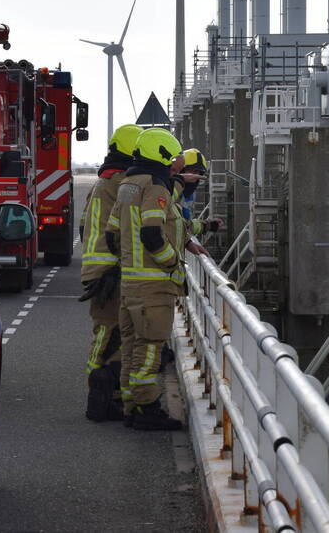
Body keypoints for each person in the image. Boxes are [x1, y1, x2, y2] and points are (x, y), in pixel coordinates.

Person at [106, 127, 195, 431]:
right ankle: (146, 408)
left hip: (130, 282)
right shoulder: (156, 187)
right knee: (150, 346)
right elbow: (152, 233)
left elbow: (112, 232)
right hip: (153, 284)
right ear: (161, 154)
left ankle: (132, 403)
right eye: (171, 158)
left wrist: (129, 263)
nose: (173, 164)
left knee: (131, 345)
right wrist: (172, 264)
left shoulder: (128, 183)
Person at [78, 123, 143, 422]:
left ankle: (107, 391)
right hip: (109, 271)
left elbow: (83, 227)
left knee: (109, 330)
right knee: (110, 331)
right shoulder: (118, 183)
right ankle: (100, 389)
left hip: (100, 268)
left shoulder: (101, 183)